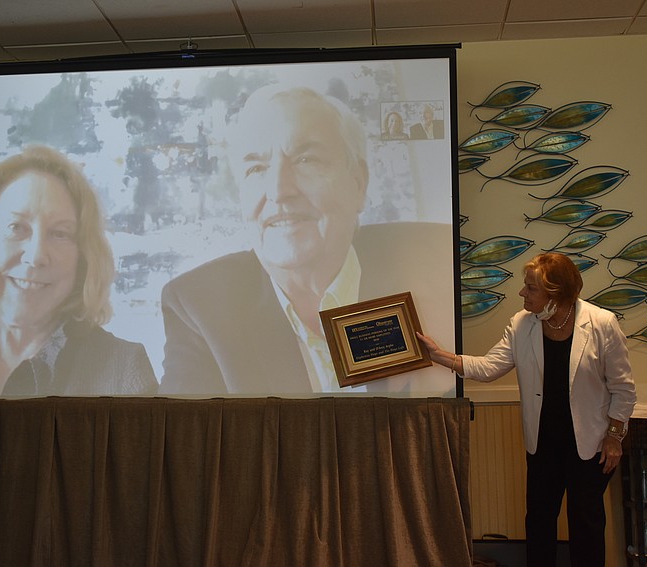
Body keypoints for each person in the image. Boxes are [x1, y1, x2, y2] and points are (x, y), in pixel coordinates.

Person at [158, 85, 451, 395]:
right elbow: (184, 433)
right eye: (256, 168)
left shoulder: (431, 266)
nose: (279, 190)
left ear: (358, 182)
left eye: (306, 160)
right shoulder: (199, 305)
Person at [416, 252, 636, 567]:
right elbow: (490, 366)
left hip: (590, 444)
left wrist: (615, 437)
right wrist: (441, 356)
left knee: (586, 524)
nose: (522, 293)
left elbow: (624, 388)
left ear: (555, 293)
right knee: (539, 522)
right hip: (542, 443)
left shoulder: (601, 323)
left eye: (531, 288)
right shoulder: (522, 324)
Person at [0, 145, 158, 398]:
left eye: (60, 233)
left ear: (82, 258)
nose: (36, 256)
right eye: (16, 227)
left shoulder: (124, 369)